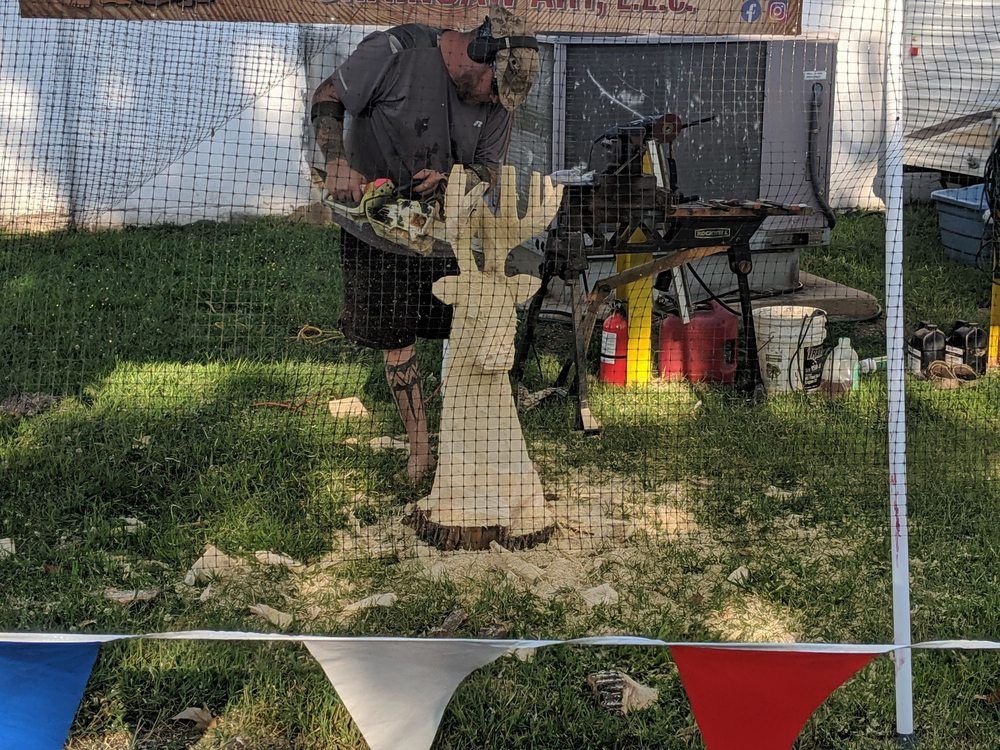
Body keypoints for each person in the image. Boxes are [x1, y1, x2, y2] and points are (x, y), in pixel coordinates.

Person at [310, 7, 540, 481]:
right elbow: (329, 94)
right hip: (374, 224)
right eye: (490, 89)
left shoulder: (500, 102)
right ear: (479, 53)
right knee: (396, 338)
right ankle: (419, 451)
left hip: (444, 232)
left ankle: (462, 437)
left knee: (462, 330)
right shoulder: (397, 51)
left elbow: (490, 169)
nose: (492, 102)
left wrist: (457, 178)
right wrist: (334, 160)